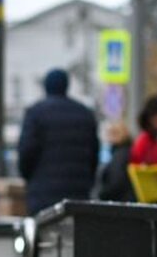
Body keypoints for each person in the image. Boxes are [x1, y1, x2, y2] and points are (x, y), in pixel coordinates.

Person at [16, 68, 100, 214]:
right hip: (77, 192)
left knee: (44, 234)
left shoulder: (35, 113)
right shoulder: (85, 114)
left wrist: (29, 178)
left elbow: (26, 152)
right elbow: (93, 154)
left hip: (42, 192)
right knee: (73, 234)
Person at [97, 121, 136, 203]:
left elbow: (116, 182)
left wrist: (101, 195)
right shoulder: (124, 152)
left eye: (113, 133)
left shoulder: (120, 155)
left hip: (120, 203)